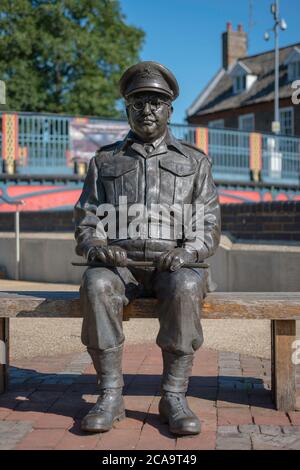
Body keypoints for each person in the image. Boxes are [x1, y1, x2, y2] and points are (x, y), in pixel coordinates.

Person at [74, 61, 221, 436]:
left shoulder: (194, 161)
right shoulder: (104, 160)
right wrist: (97, 247)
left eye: (156, 102)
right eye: (138, 102)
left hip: (174, 266)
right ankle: (110, 394)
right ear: (126, 109)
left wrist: (188, 253)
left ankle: (174, 395)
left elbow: (208, 223)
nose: (147, 110)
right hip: (120, 265)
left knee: (187, 286)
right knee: (96, 284)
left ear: (170, 109)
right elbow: (88, 218)